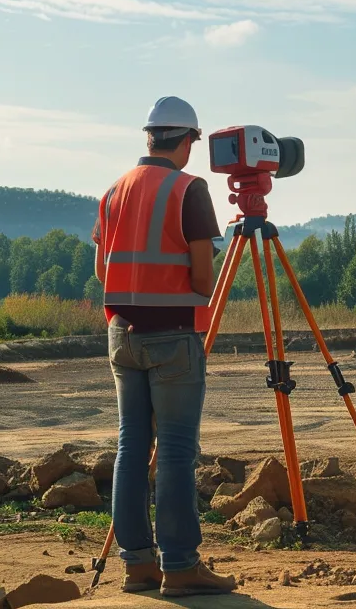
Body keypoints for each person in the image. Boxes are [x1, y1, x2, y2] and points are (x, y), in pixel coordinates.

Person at [92, 95, 237, 597]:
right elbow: (203, 275)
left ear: (150, 137)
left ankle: (138, 565)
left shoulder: (113, 190)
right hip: (173, 335)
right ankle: (180, 567)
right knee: (176, 451)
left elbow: (100, 270)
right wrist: (195, 289)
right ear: (189, 141)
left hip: (121, 334)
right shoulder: (188, 189)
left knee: (132, 445)